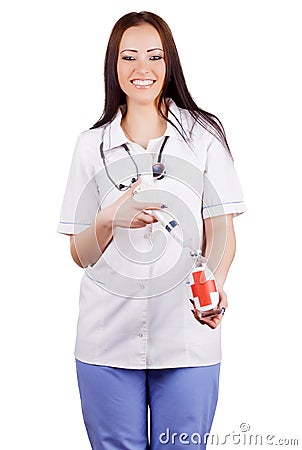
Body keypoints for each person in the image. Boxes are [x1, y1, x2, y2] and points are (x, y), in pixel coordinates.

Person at [57, 11, 246, 450]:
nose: (142, 69)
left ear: (169, 63)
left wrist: (213, 288)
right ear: (114, 66)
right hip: (106, 341)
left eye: (154, 56)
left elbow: (222, 235)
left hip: (187, 338)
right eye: (129, 57)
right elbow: (80, 254)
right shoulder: (90, 145)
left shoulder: (204, 137)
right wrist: (108, 219)